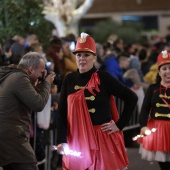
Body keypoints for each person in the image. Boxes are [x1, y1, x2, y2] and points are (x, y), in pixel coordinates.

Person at [56, 32, 138, 170]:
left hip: (102, 140)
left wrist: (119, 125)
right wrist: (61, 140)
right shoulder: (69, 79)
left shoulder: (104, 77)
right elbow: (62, 112)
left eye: (86, 55)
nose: (82, 58)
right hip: (77, 139)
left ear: (94, 58)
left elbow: (132, 98)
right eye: (78, 55)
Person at [0, 52, 55, 170]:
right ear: (30, 69)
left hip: (6, 134)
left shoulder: (11, 75)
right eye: (41, 72)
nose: (42, 75)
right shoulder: (20, 78)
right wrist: (46, 84)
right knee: (29, 165)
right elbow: (38, 104)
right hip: (13, 136)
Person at [138, 50, 170, 170]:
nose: (168, 72)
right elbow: (145, 110)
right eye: (164, 68)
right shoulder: (153, 88)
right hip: (158, 131)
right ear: (159, 71)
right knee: (163, 164)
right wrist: (143, 126)